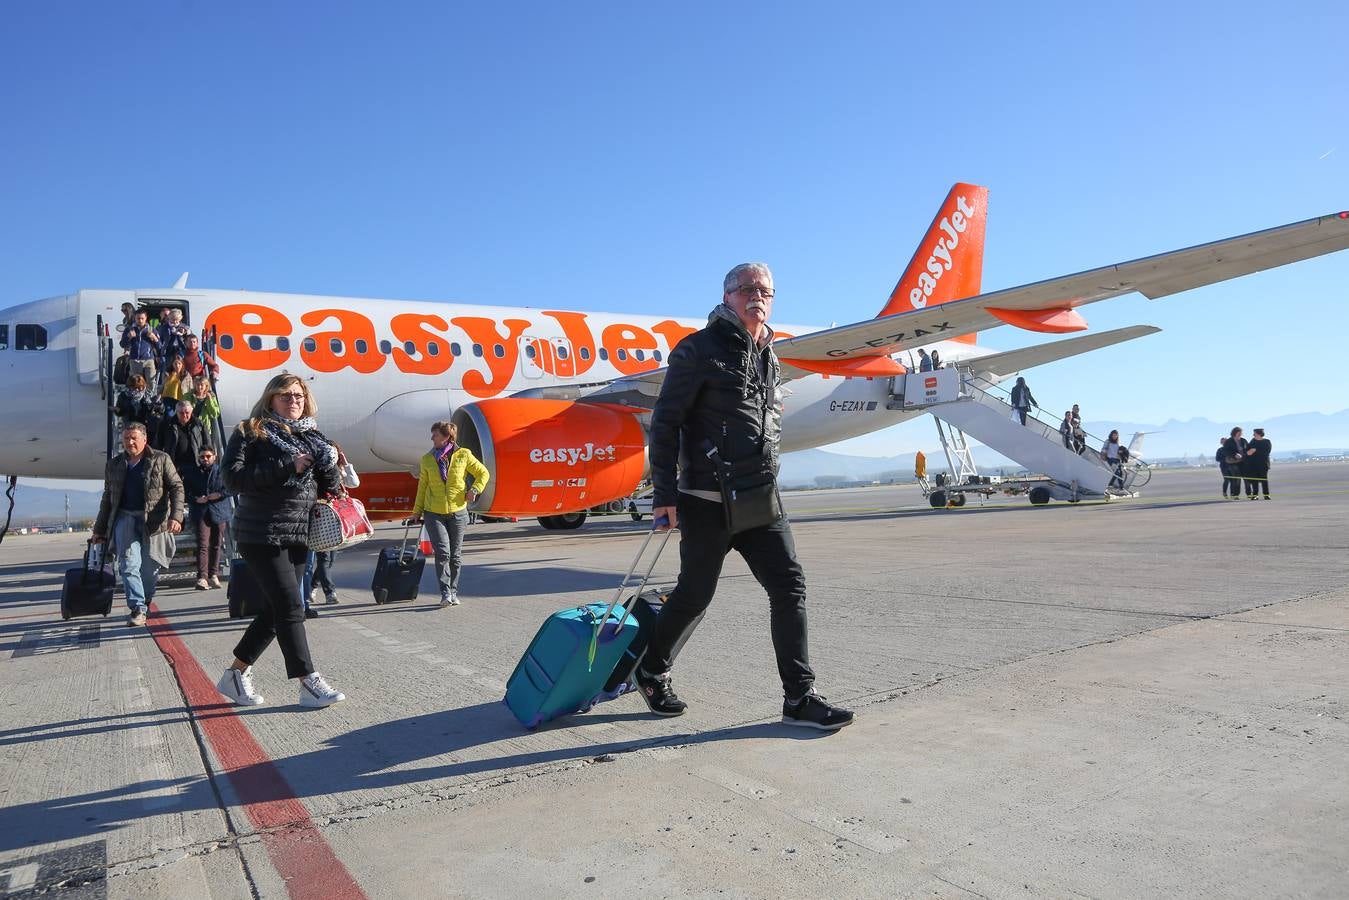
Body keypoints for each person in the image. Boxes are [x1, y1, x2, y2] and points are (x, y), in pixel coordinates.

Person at [642, 262, 853, 731]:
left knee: (789, 587)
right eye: (747, 289)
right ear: (728, 295)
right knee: (694, 596)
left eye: (765, 290)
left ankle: (798, 698)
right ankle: (652, 669)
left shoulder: (768, 353)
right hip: (706, 498)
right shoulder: (698, 350)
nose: (757, 296)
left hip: (760, 498)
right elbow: (665, 422)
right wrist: (665, 493)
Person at [217, 373, 345, 708]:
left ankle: (235, 674)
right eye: (286, 396)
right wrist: (286, 465)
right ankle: (307, 682)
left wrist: (330, 463)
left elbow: (328, 487)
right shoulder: (251, 431)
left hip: (299, 534)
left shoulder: (313, 437)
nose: (294, 401)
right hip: (260, 533)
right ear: (270, 398)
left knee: (278, 611)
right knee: (292, 606)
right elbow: (232, 479)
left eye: (299, 396)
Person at [91, 423, 185, 626]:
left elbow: (177, 487)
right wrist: (99, 530)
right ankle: (138, 608)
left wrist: (176, 517)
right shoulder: (114, 465)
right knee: (128, 565)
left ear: (144, 439)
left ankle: (146, 599)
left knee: (150, 569)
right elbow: (107, 499)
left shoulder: (161, 459)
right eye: (126, 439)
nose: (130, 442)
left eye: (134, 438)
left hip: (154, 521)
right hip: (125, 518)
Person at [412, 421, 490, 607]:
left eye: (436, 435)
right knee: (443, 553)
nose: (432, 438)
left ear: (447, 437)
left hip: (458, 512)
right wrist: (417, 511)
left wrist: (475, 490)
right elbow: (422, 487)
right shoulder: (427, 459)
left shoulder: (464, 455)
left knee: (455, 556)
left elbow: (483, 473)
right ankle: (445, 593)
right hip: (434, 513)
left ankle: (454, 591)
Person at [300, 446, 359, 615]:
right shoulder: (320, 471)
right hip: (321, 518)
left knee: (331, 559)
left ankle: (312, 586)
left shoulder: (338, 471)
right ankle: (329, 592)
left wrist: (346, 465)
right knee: (323, 559)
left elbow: (354, 483)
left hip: (336, 519)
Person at [183, 445, 231, 590]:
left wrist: (220, 495)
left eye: (208, 456)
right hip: (200, 511)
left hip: (219, 511)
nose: (205, 459)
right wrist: (196, 499)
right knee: (202, 544)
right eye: (202, 457)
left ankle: (213, 574)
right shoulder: (192, 472)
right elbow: (185, 492)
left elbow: (232, 488)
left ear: (214, 456)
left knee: (216, 544)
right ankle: (202, 577)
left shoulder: (222, 471)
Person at [155, 401, 210, 473]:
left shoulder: (199, 425)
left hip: (196, 466)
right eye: (181, 413)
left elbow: (208, 446)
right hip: (174, 467)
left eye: (187, 412)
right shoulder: (166, 425)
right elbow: (158, 445)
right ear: (176, 412)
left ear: (191, 411)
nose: (184, 415)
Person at [120, 309, 161, 386]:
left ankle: (150, 397)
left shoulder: (152, 329)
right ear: (135, 318)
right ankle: (136, 397)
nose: (140, 320)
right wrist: (128, 337)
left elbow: (160, 347)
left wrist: (155, 338)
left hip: (149, 360)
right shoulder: (129, 329)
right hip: (135, 360)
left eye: (142, 318)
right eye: (138, 318)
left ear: (146, 318)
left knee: (151, 382)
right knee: (135, 382)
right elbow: (122, 344)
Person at [1243, 427, 1272, 499]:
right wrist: (1248, 452)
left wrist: (1255, 450)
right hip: (1253, 465)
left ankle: (1266, 495)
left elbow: (1266, 452)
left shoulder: (1267, 442)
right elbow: (1247, 451)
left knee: (1264, 480)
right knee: (1254, 480)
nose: (1253, 435)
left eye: (1254, 433)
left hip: (1263, 464)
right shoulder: (1252, 441)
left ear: (1259, 434)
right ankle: (1255, 495)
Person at [1221, 427, 1246, 500]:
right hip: (1233, 463)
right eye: (1239, 432)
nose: (1241, 434)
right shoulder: (1229, 441)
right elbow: (1226, 451)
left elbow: (1247, 448)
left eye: (1241, 432)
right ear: (1235, 433)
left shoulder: (1243, 440)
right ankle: (1235, 495)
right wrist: (1234, 454)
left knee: (1241, 479)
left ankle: (1237, 494)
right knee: (1236, 479)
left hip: (1242, 462)